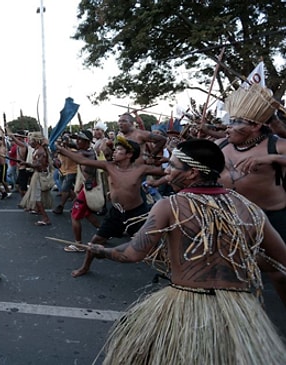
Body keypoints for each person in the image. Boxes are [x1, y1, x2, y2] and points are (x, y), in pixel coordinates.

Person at [87, 139, 286, 364]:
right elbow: (281, 259)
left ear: (192, 173)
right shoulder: (250, 209)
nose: (167, 171)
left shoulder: (170, 205)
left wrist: (101, 251)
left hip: (185, 304)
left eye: (172, 166)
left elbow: (132, 253)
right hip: (239, 312)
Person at [216, 83, 286, 306]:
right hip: (233, 216)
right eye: (231, 121)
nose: (229, 127)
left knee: (280, 271)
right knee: (229, 268)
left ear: (256, 125)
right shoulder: (221, 145)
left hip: (272, 217)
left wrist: (271, 159)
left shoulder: (277, 145)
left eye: (236, 122)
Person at [56, 135, 165, 276]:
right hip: (116, 213)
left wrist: (157, 180)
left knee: (152, 246)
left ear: (129, 154)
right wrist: (61, 150)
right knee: (95, 242)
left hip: (138, 214)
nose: (114, 152)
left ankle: (175, 272)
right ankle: (85, 268)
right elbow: (82, 160)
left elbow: (168, 173)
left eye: (119, 150)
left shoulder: (141, 169)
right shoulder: (109, 166)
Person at [60, 130, 101, 252]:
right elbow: (73, 146)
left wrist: (57, 146)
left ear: (87, 142)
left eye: (80, 139)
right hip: (87, 186)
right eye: (77, 139)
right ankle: (104, 232)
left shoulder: (86, 154)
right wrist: (69, 138)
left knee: (75, 216)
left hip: (88, 188)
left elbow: (70, 152)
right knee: (87, 213)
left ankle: (78, 244)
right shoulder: (87, 151)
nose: (77, 141)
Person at [19, 132, 52, 226]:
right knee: (37, 196)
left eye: (31, 140)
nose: (29, 142)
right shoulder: (38, 150)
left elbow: (39, 165)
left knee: (37, 197)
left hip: (39, 175)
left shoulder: (40, 151)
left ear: (36, 141)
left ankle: (45, 218)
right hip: (38, 174)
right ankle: (38, 210)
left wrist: (26, 164)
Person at [52, 131, 77, 215]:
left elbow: (66, 153)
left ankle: (61, 206)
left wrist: (61, 147)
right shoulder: (60, 150)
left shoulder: (73, 150)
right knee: (68, 190)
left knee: (65, 190)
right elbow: (57, 157)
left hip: (71, 172)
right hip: (62, 171)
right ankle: (77, 203)